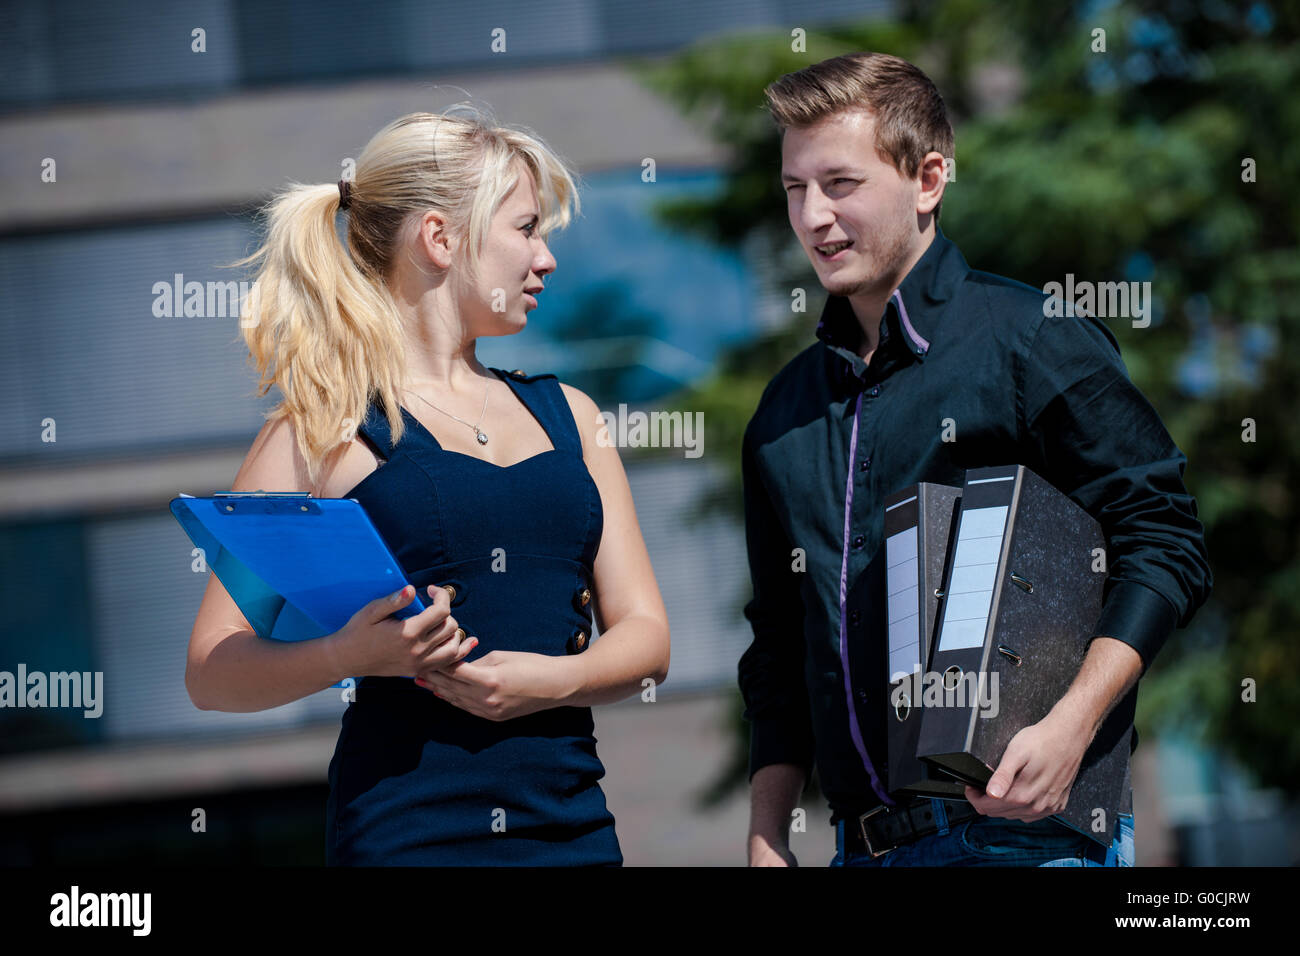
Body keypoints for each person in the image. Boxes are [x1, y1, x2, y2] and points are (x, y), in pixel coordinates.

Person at [738, 53, 1212, 867]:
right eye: (794, 189)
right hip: (863, 851)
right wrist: (767, 835)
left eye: (841, 184)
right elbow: (779, 647)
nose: (813, 217)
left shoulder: (1034, 339)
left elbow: (1165, 541)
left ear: (927, 180)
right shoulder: (782, 414)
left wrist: (1071, 728)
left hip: (1027, 839)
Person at [184, 106, 670, 865]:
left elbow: (647, 637)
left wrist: (553, 680)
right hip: (407, 835)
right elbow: (212, 670)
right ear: (440, 239)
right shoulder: (321, 430)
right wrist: (348, 655)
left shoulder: (571, 416)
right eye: (526, 229)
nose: (545, 259)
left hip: (574, 827)